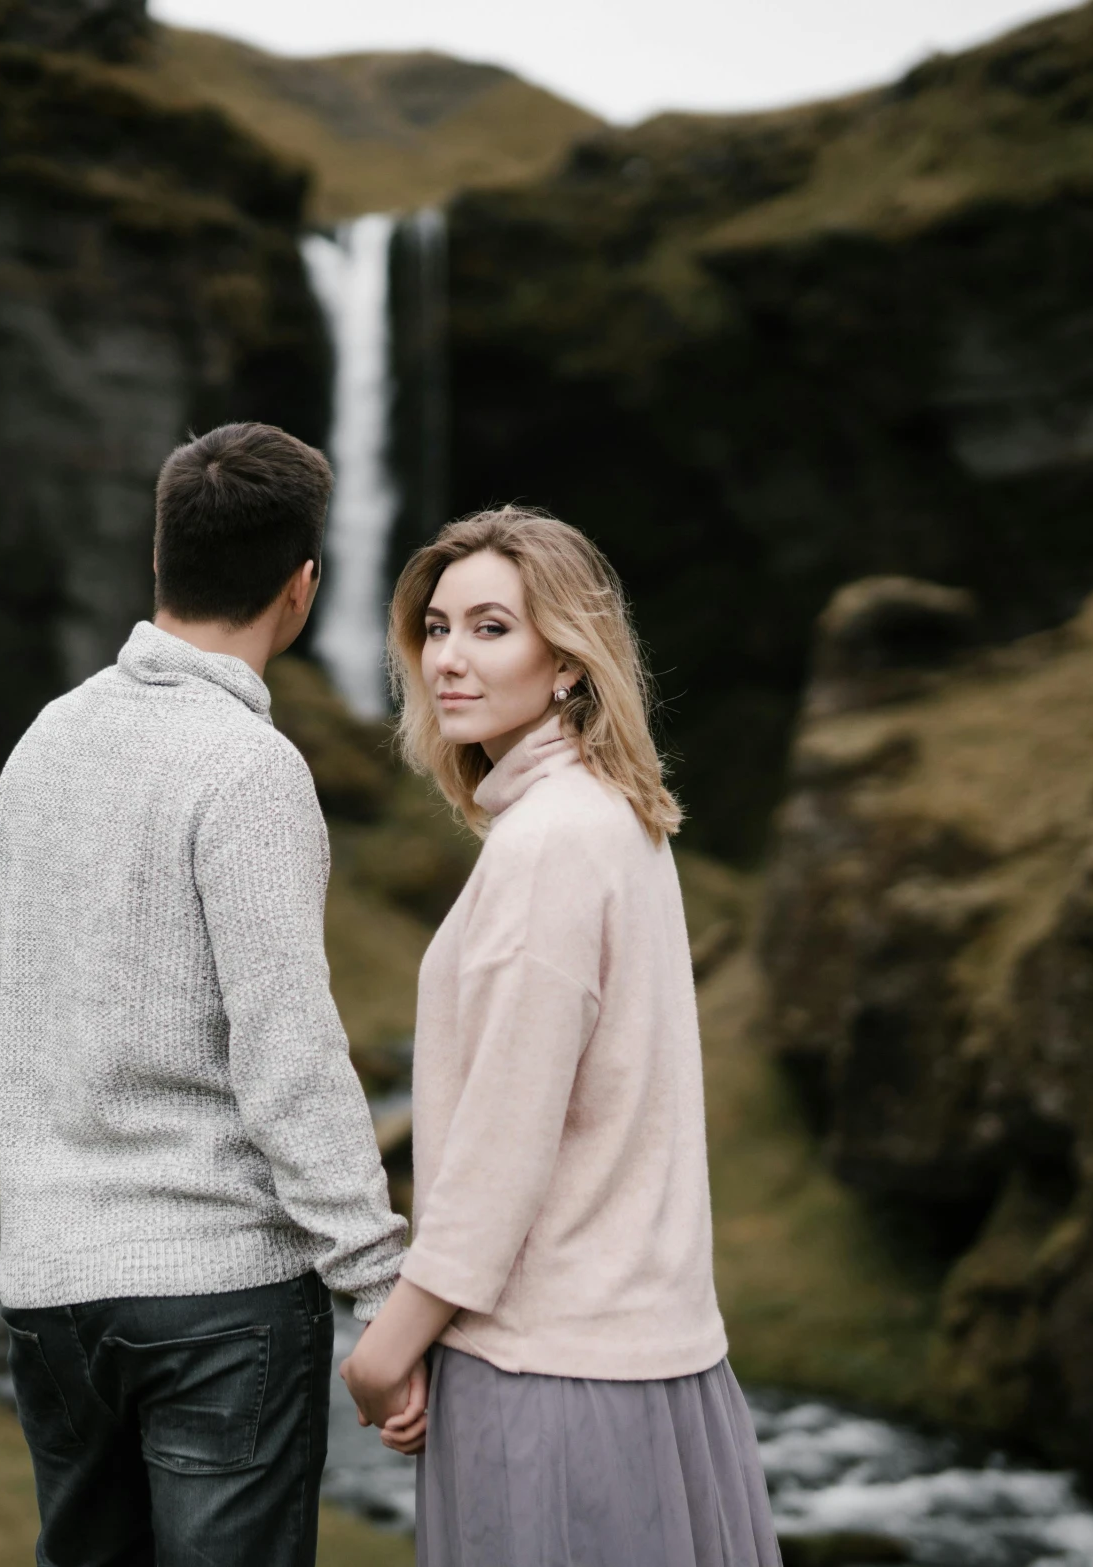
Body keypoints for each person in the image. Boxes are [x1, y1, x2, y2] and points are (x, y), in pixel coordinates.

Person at [0, 422, 411, 1567]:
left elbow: (12, 1021)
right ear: (302, 586)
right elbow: (287, 1049)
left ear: (158, 557)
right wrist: (378, 1282)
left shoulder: (43, 741)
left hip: (52, 1286)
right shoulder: (248, 768)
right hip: (219, 1296)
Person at [340, 506, 783, 1567]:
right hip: (657, 1362)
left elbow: (502, 1150)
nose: (448, 657)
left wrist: (382, 1352)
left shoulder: (546, 843)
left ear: (569, 662)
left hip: (550, 1381)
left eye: (490, 627)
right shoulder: (616, 815)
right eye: (436, 628)